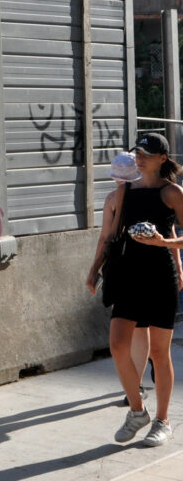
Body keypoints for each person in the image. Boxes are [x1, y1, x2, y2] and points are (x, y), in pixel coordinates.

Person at [91, 134, 183, 446]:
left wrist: (164, 244)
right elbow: (107, 237)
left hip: (160, 279)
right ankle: (137, 410)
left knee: (159, 353)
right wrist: (93, 271)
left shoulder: (172, 193)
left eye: (147, 154)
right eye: (138, 153)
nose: (140, 158)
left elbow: (179, 236)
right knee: (118, 345)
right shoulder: (122, 193)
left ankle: (163, 420)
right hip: (128, 278)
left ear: (162, 159)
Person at [87, 152, 151, 404]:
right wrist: (177, 268)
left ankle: (132, 386)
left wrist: (93, 271)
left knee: (126, 327)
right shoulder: (152, 195)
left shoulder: (113, 199)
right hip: (147, 266)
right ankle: (136, 384)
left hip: (120, 268)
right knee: (141, 328)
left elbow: (105, 238)